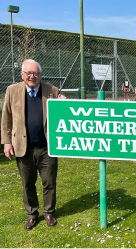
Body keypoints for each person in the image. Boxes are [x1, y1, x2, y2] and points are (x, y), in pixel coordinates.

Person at [1, 59, 62, 231]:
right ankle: (32, 214)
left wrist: (63, 101)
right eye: (28, 73)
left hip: (46, 147)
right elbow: (6, 118)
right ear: (22, 75)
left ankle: (49, 212)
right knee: (27, 183)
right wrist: (6, 142)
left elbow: (64, 112)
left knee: (49, 182)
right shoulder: (12, 91)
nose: (32, 76)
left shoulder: (52, 90)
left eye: (35, 73)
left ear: (40, 75)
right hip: (23, 147)